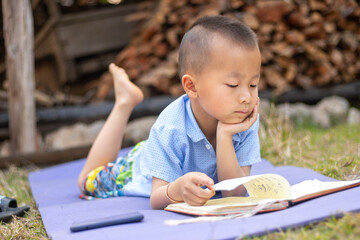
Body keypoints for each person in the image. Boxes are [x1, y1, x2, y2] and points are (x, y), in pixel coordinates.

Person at [78, 15, 262, 210]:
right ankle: (124, 103)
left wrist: (224, 135)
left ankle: (126, 100)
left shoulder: (243, 119)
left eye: (253, 84)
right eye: (233, 84)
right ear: (191, 86)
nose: (246, 97)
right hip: (137, 168)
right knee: (86, 181)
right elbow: (156, 198)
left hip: (159, 148)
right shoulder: (170, 128)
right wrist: (177, 190)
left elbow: (234, 193)